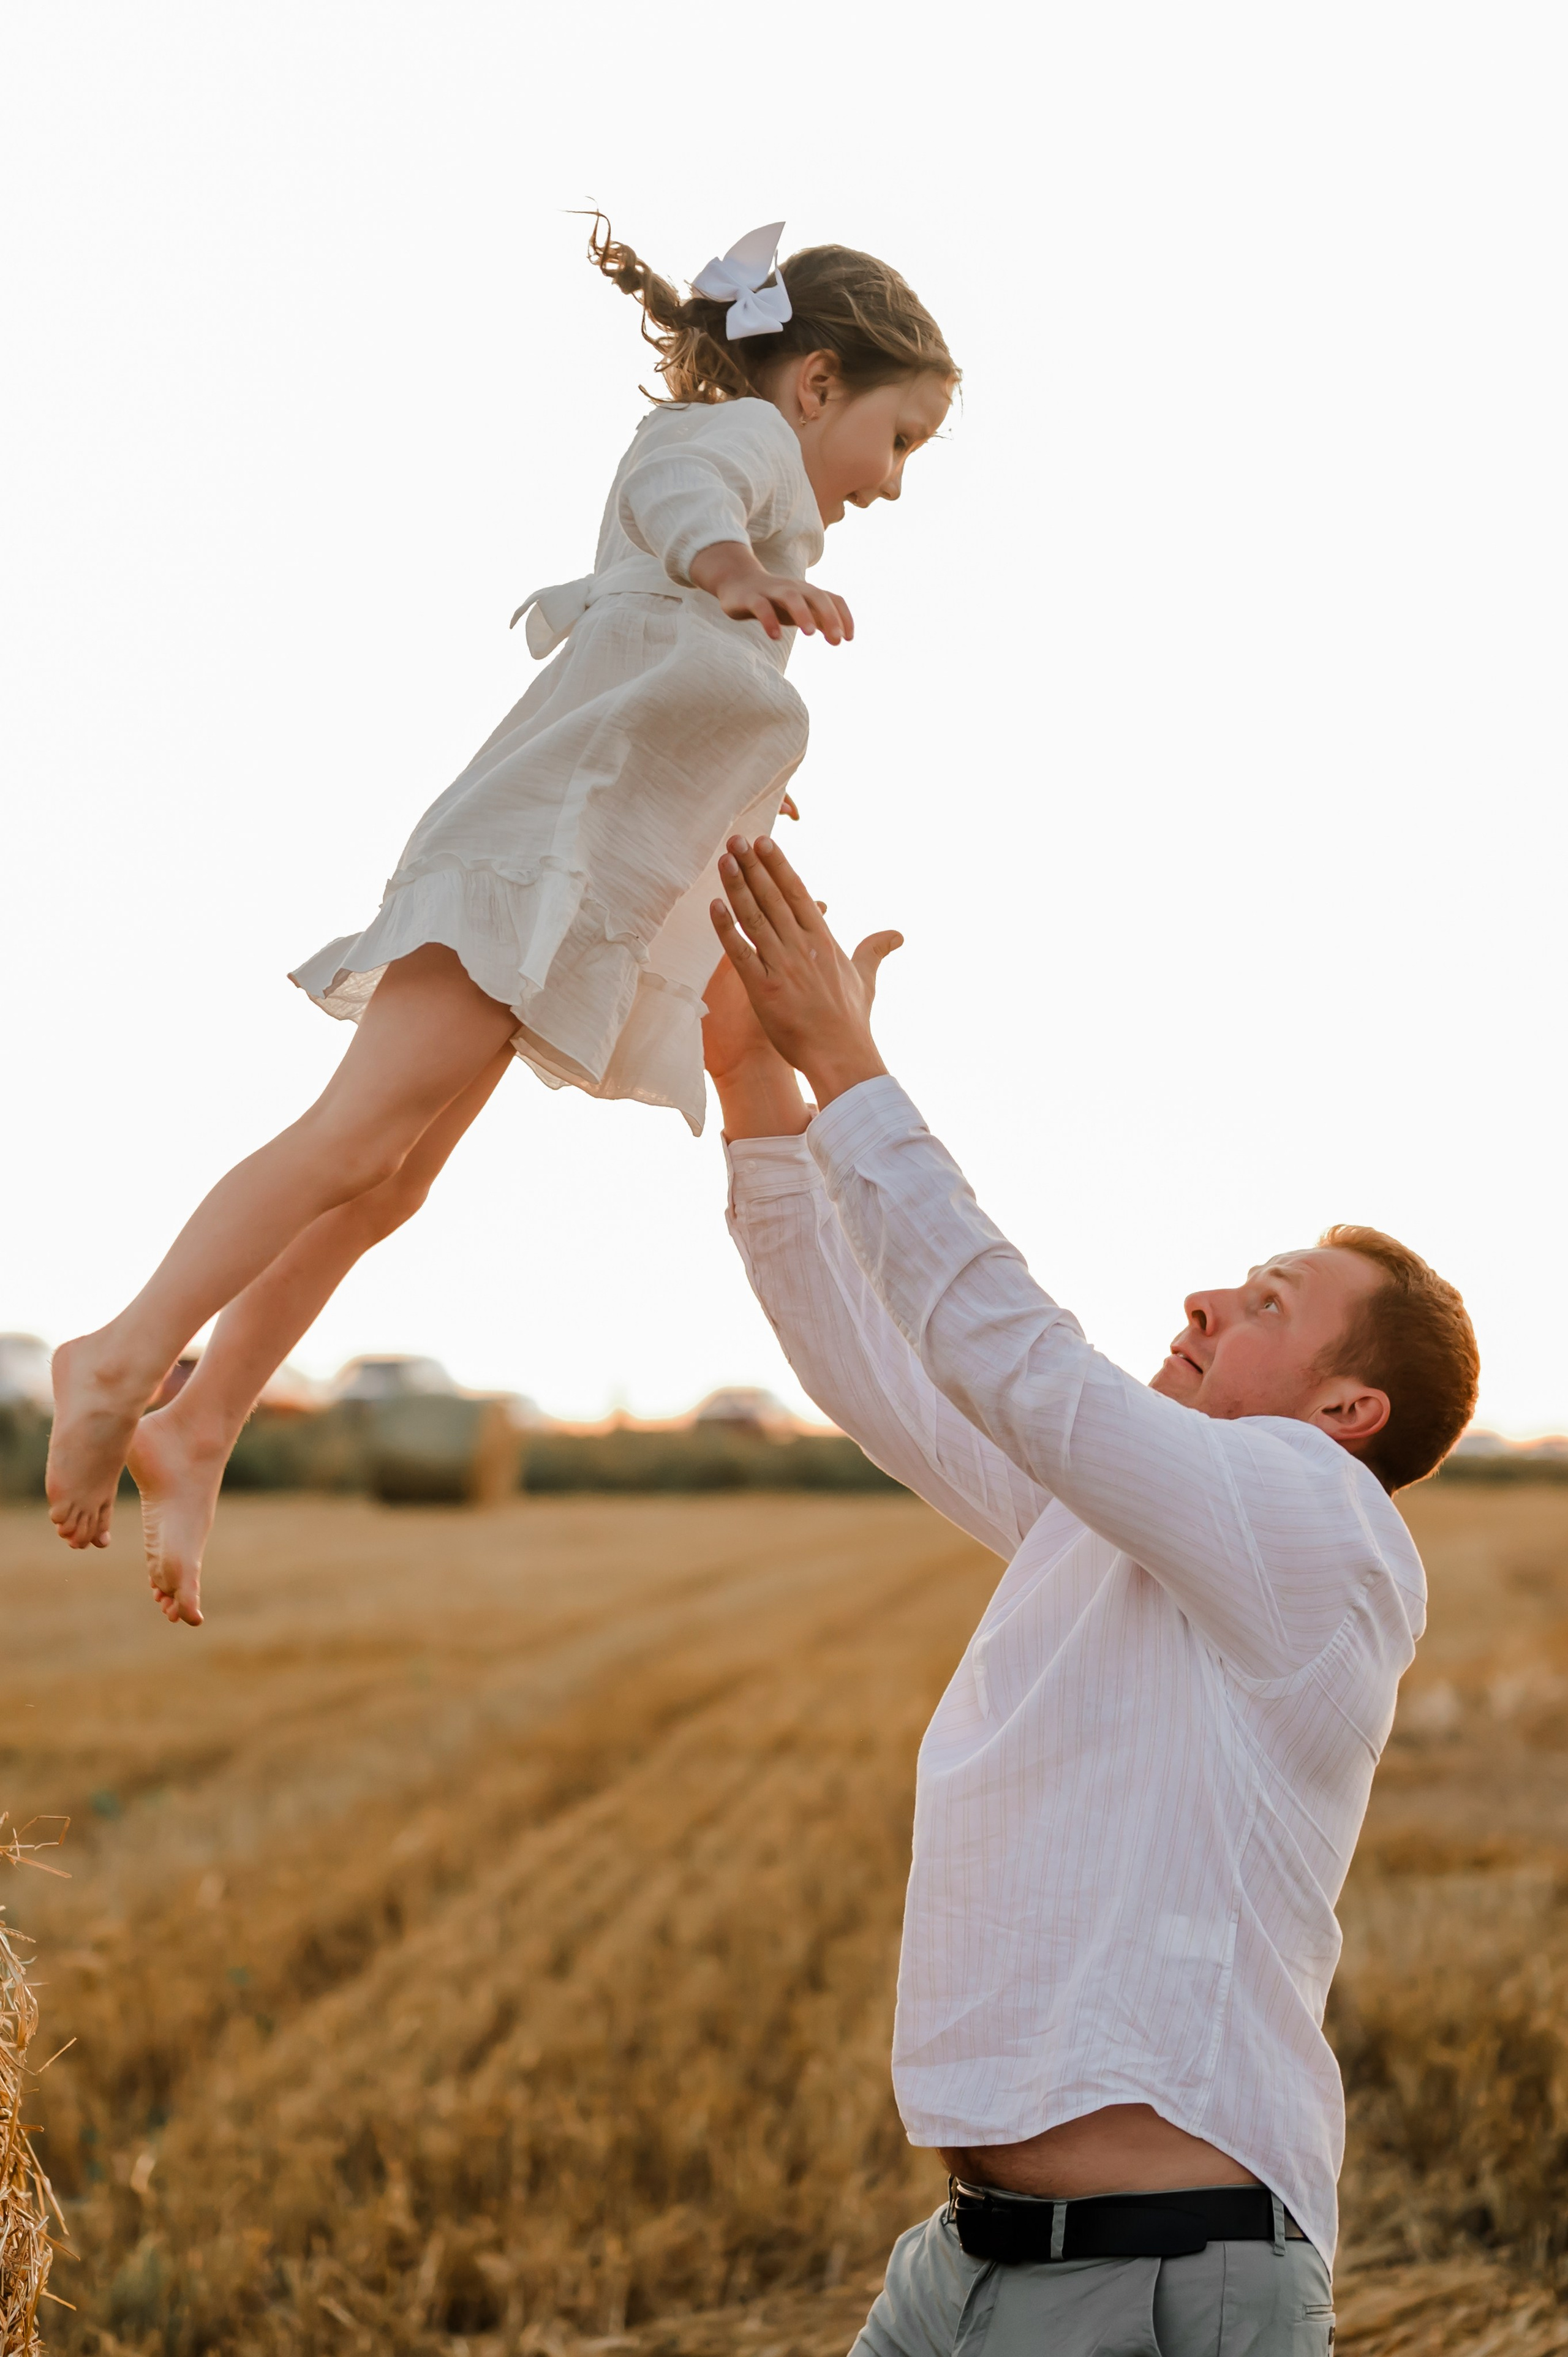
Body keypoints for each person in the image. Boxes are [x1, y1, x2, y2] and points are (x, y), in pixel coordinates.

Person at [45, 219, 958, 1615]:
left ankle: (205, 1418)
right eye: (900, 439)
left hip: (570, 894)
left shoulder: (767, 536)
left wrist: (744, 776)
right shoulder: (737, 452)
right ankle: (118, 1357)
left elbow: (664, 703)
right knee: (353, 1139)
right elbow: (680, 487)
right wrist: (730, 569)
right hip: (526, 865)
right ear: (819, 381)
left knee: (392, 1179)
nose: (894, 481)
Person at [702, 833, 1480, 2357]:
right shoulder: (1127, 1527)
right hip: (962, 2269)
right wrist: (756, 1094)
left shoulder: (1315, 1522)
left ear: (1345, 1412)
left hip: (1164, 2282)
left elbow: (1015, 1355)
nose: (1204, 1297)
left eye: (1264, 1302)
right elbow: (893, 1373)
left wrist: (847, 1066)